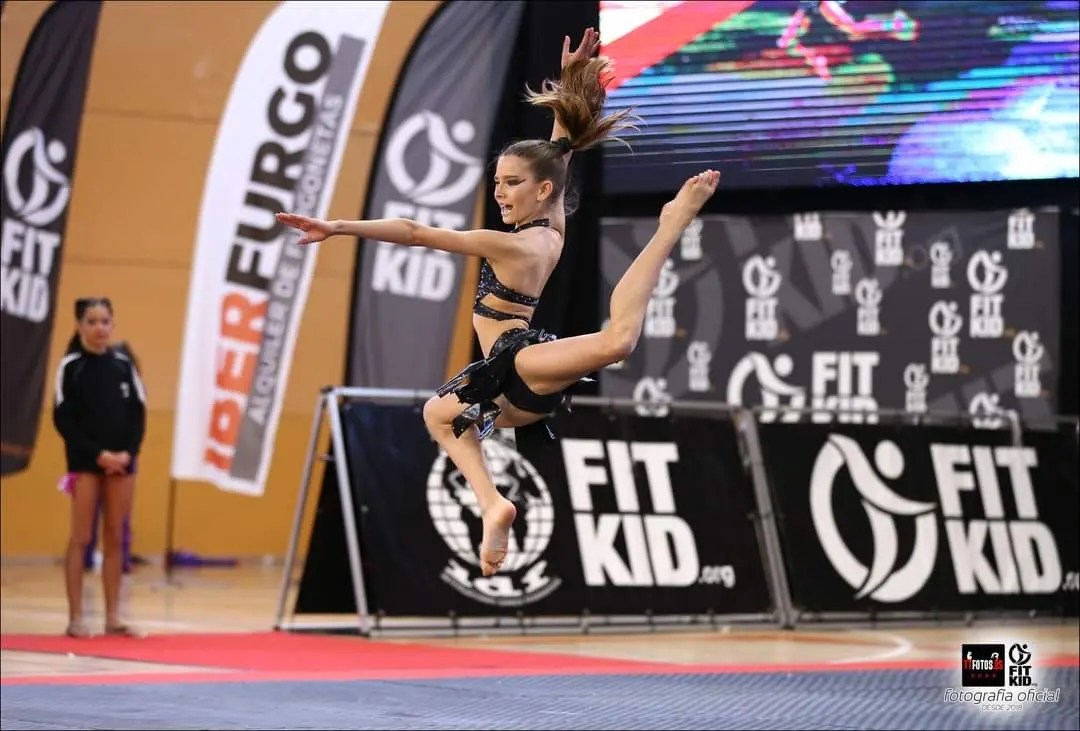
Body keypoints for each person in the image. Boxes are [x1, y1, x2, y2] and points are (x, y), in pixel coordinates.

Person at [276, 28, 720, 577]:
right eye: (497, 182)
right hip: (514, 383)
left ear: (541, 191)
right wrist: (572, 80)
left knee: (616, 341)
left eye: (511, 183)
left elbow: (415, 231)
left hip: (516, 361)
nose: (499, 193)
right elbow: (558, 151)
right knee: (440, 414)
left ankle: (670, 225)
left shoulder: (513, 245)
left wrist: (338, 226)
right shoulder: (550, 221)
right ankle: (493, 505)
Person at [53, 297, 146, 637]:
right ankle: (76, 617)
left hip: (122, 464)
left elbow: (138, 414)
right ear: (80, 326)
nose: (99, 328)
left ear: (113, 324)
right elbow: (64, 420)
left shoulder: (123, 365)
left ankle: (113, 617)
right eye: (91, 322)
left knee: (116, 535)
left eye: (105, 321)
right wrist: (98, 455)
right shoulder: (71, 367)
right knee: (81, 537)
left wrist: (127, 454)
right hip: (86, 463)